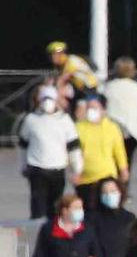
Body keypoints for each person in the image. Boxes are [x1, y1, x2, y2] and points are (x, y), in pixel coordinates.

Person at [19, 85, 82, 219]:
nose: (48, 102)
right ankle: (37, 230)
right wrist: (23, 166)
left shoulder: (65, 120)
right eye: (44, 99)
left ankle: (53, 229)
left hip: (57, 169)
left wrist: (77, 169)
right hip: (37, 169)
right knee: (38, 207)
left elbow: (74, 147)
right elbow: (23, 146)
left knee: (55, 207)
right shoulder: (31, 119)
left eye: (51, 99)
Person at [102, 57, 137, 193]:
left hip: (112, 130)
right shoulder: (136, 88)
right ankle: (124, 190)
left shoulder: (109, 87)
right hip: (131, 132)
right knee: (128, 161)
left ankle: (111, 189)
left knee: (112, 161)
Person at [75, 94, 129, 211]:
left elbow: (119, 150)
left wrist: (123, 169)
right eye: (89, 108)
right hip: (85, 179)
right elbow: (73, 153)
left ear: (103, 110)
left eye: (94, 108)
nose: (91, 111)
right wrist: (74, 172)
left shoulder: (112, 128)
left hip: (107, 177)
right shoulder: (78, 128)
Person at [46, 41, 98, 107]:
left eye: (53, 54)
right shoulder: (62, 64)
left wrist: (52, 90)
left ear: (60, 54)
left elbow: (62, 79)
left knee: (57, 94)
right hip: (79, 88)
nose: (51, 58)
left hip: (88, 88)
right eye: (50, 55)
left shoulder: (70, 62)